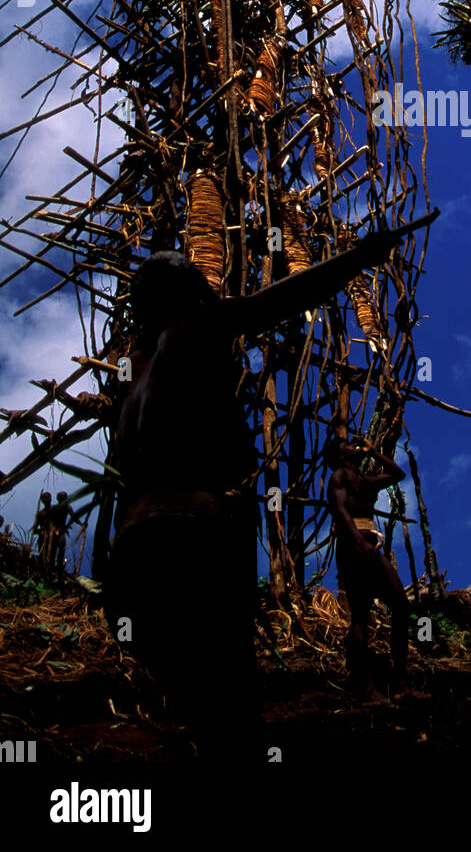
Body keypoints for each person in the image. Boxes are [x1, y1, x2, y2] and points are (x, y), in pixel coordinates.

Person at [103, 210, 437, 749]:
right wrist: (361, 256)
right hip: (195, 532)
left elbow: (123, 474)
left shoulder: (135, 369)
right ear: (190, 292)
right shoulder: (198, 327)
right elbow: (284, 295)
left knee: (188, 699)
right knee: (231, 707)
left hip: (134, 549)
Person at [326, 434, 413, 703]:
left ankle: (400, 683)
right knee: (361, 615)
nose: (355, 446)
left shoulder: (364, 481)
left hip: (369, 545)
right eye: (349, 446)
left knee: (400, 604)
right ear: (341, 456)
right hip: (353, 546)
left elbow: (398, 474)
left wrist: (374, 452)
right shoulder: (339, 477)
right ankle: (364, 687)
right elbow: (340, 511)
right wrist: (357, 543)